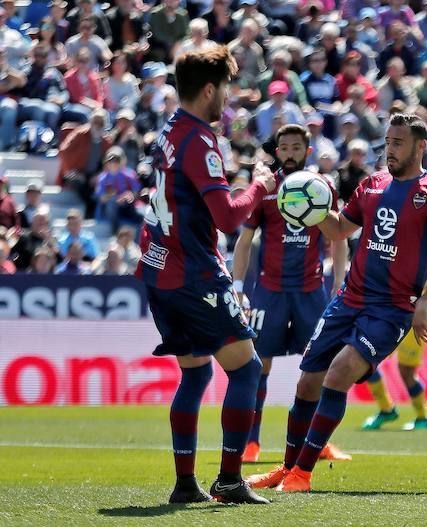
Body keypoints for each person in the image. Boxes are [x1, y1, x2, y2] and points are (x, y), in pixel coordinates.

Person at [246, 113, 427, 493]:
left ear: (420, 147)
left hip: (391, 309)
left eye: (398, 143)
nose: (389, 150)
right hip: (348, 300)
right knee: (307, 383)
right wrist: (307, 204)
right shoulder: (371, 186)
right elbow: (338, 229)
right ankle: (286, 469)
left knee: (338, 374)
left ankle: (303, 474)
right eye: (387, 141)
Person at [135, 46, 276, 505]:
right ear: (210, 89)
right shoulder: (199, 139)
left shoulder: (169, 131)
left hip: (159, 270)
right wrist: (258, 185)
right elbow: (229, 219)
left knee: (195, 377)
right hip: (193, 275)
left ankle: (183, 484)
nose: (229, 98)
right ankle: (231, 481)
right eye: (227, 87)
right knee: (247, 370)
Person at [231, 123, 350, 463]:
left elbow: (338, 236)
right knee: (258, 365)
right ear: (277, 151)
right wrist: (238, 288)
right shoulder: (265, 188)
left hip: (311, 291)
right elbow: (244, 241)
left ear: (307, 151)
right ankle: (251, 442)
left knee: (320, 368)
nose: (290, 153)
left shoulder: (323, 186)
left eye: (297, 148)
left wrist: (339, 283)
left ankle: (318, 443)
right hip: (270, 291)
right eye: (285, 148)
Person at [362, 262, 427, 431]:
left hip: (414, 320)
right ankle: (386, 409)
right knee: (365, 359)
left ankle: (423, 417)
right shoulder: (392, 248)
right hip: (388, 316)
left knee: (406, 371)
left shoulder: (425, 253)